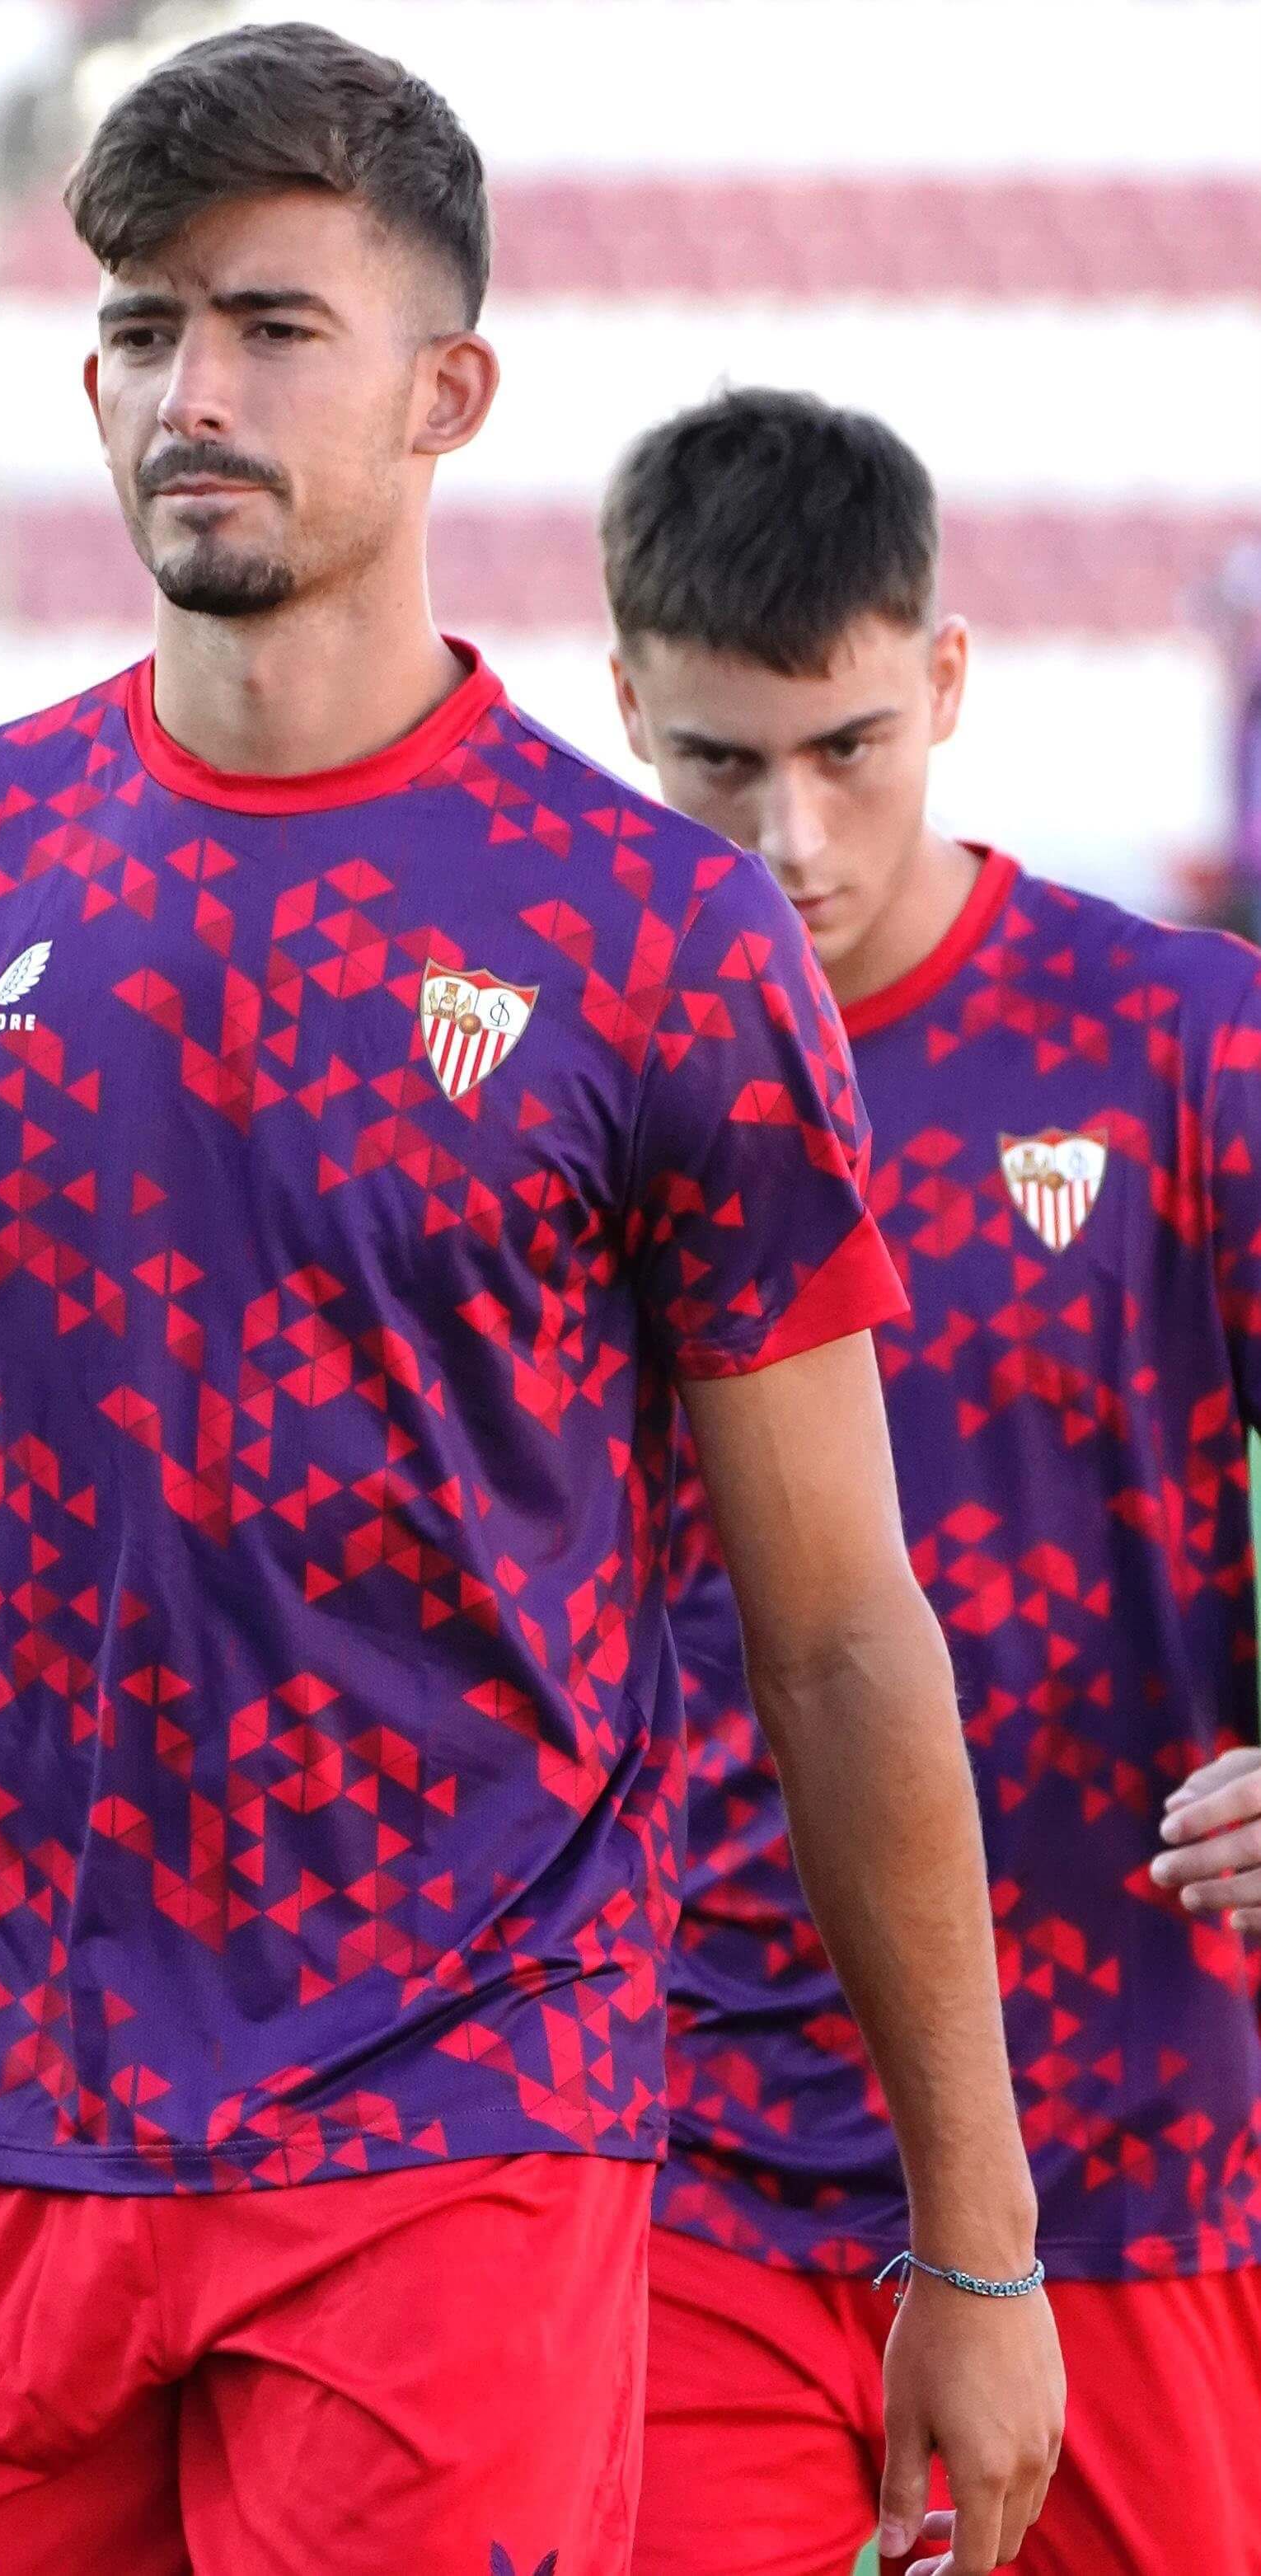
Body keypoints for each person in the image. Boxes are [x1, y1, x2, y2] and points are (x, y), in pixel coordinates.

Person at [0, 30, 1064, 2576]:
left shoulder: (654, 942)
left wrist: (974, 2237)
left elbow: (832, 1630)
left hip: (461, 2130)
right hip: (0, 2120)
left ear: (447, 391)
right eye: (143, 327)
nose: (192, 391)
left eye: (271, 325)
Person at [602, 387, 1261, 2576]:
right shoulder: (562, 1078)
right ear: (621, 705)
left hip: (1132, 2141)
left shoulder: (1174, 1047)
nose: (788, 833)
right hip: (684, 2146)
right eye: (718, 763)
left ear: (944, 681)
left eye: (846, 748)